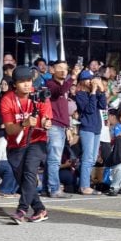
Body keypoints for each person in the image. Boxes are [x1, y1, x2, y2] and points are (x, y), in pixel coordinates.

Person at [1, 66, 52, 224]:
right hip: (16, 143)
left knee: (30, 172)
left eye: (28, 81)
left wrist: (46, 122)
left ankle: (21, 210)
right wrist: (24, 123)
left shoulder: (40, 96)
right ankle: (40, 209)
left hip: (37, 141)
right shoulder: (7, 99)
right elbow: (9, 129)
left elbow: (46, 118)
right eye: (22, 81)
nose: (26, 84)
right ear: (15, 84)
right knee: (23, 179)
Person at [44, 60, 75, 198]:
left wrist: (68, 126)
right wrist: (73, 78)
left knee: (52, 159)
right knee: (54, 160)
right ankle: (54, 189)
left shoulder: (64, 86)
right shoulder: (51, 84)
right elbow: (59, 91)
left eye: (65, 68)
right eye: (60, 68)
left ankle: (47, 187)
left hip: (62, 126)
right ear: (52, 70)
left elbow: (64, 111)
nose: (63, 71)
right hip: (54, 126)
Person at [74, 70, 105, 195]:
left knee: (92, 159)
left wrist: (101, 90)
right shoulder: (80, 94)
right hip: (87, 128)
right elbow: (90, 109)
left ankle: (82, 182)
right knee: (87, 158)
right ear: (82, 81)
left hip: (97, 127)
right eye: (88, 79)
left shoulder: (95, 92)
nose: (91, 81)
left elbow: (103, 105)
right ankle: (84, 186)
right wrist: (93, 92)